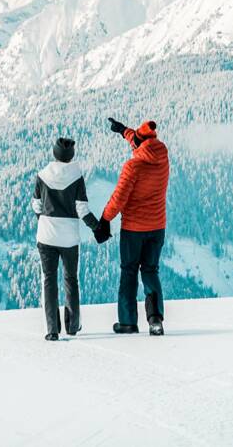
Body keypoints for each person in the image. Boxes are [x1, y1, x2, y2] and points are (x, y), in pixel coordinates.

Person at [94, 118, 170, 336]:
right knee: (150, 271)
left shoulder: (133, 166)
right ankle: (155, 319)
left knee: (129, 273)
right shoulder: (162, 158)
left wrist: (104, 220)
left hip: (134, 230)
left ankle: (127, 322)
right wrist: (123, 131)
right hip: (157, 228)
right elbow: (139, 143)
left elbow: (119, 198)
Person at [32, 137, 100, 341]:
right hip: (69, 237)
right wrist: (97, 228)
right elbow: (82, 209)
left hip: (46, 235)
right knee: (71, 279)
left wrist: (44, 220)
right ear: (71, 156)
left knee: (49, 280)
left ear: (54, 153)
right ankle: (72, 325)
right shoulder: (76, 176)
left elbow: (36, 205)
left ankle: (52, 329)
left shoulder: (42, 175)